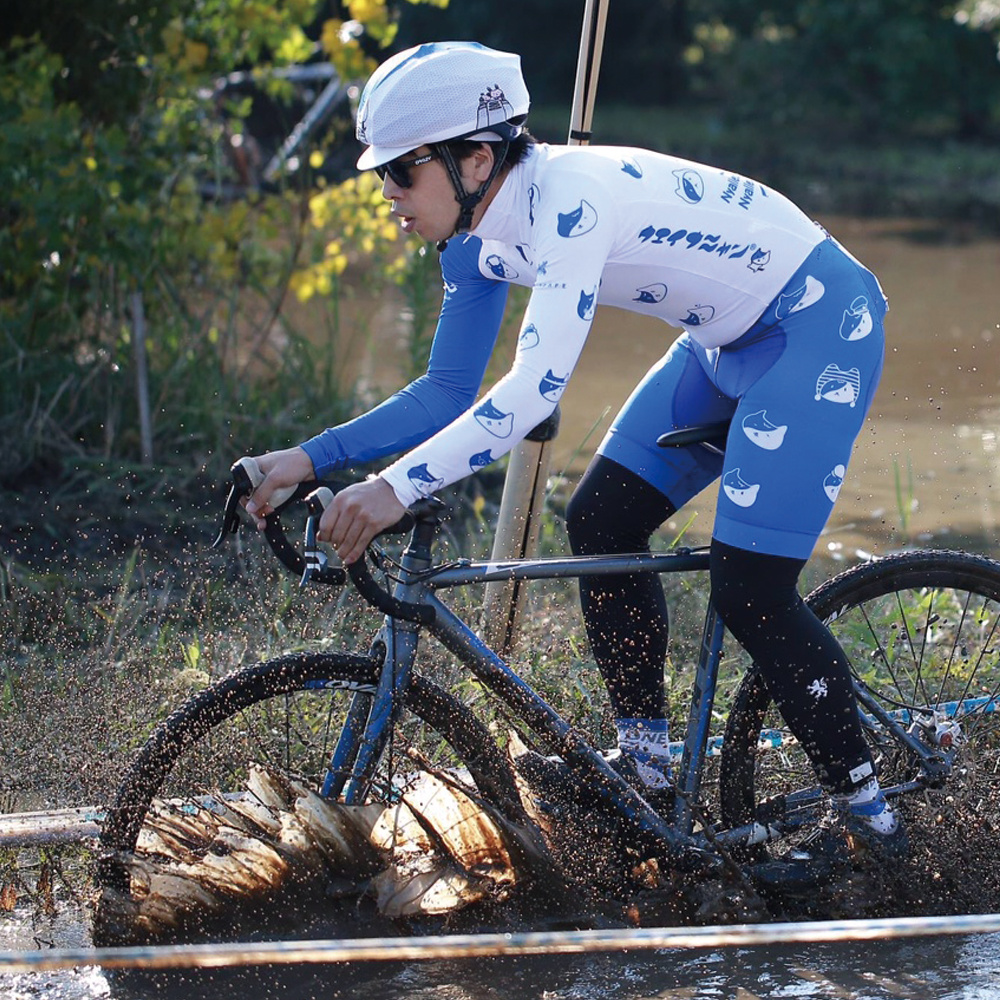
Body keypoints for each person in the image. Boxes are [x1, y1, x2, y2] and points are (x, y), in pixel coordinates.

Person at [244, 41, 904, 855]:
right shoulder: (472, 234)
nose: (387, 196)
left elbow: (532, 393)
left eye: (399, 174)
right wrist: (309, 459)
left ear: (474, 159)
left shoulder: (569, 204)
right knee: (599, 521)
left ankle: (878, 816)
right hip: (721, 340)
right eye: (381, 176)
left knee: (751, 590)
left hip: (816, 325)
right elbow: (448, 390)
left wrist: (393, 490)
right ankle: (650, 766)